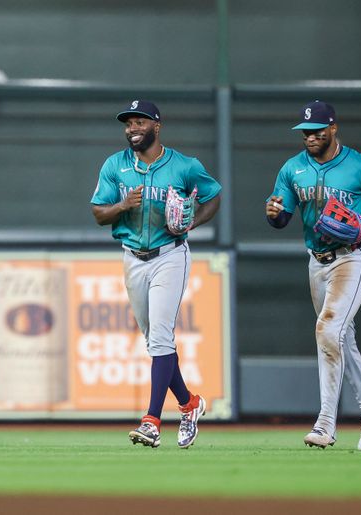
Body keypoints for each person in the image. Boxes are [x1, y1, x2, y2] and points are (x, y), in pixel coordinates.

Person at [265, 100, 361, 451]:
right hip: (317, 261)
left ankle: (326, 423)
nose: (310, 137)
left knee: (327, 329)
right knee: (340, 339)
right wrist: (275, 213)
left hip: (353, 258)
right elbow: (281, 218)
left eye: (317, 131)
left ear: (333, 129)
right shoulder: (293, 169)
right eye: (305, 132)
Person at [90, 100, 221, 449]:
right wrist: (122, 206)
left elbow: (213, 195)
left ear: (157, 126)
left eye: (140, 122)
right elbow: (99, 214)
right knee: (155, 342)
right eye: (129, 123)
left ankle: (151, 421)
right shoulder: (115, 165)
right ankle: (190, 404)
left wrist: (194, 221)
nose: (133, 128)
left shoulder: (184, 166)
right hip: (133, 257)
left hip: (170, 255)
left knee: (162, 337)